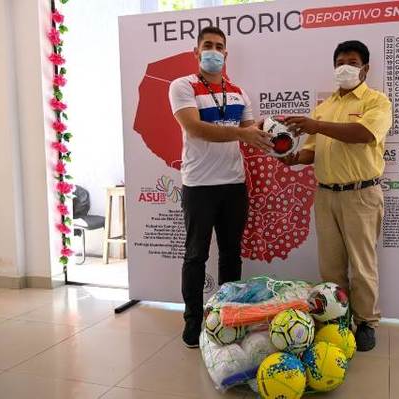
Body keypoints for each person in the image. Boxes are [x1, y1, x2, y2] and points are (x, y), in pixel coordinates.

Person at [281, 40, 392, 351]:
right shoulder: (325, 106)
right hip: (326, 194)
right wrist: (291, 157)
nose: (345, 66)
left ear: (365, 68)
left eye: (353, 61)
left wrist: (315, 125)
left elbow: (363, 135)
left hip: (361, 194)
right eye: (340, 61)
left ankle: (366, 322)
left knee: (362, 265)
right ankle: (337, 317)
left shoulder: (377, 102)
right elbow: (312, 151)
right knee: (330, 266)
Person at [169, 27, 273, 348]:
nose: (214, 51)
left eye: (219, 47)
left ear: (226, 54)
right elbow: (195, 128)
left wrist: (268, 128)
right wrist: (244, 134)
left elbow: (248, 130)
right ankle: (193, 321)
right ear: (197, 52)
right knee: (195, 255)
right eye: (208, 46)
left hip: (234, 185)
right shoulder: (182, 86)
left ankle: (229, 317)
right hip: (199, 186)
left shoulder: (239, 92)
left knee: (231, 255)